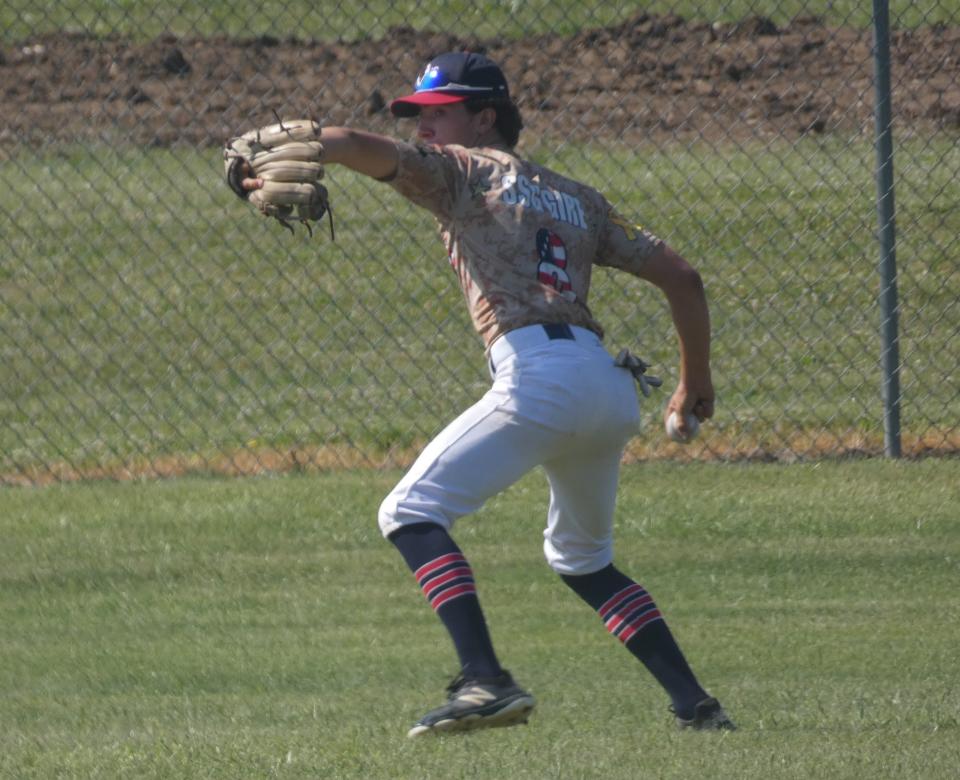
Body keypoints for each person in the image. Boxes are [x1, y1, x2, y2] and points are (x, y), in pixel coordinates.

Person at [243, 51, 733, 737]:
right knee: (584, 560)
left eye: (438, 114)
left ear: (485, 115)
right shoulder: (578, 197)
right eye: (416, 116)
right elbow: (683, 277)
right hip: (605, 387)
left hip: (540, 376)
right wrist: (694, 383)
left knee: (409, 511)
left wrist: (269, 147)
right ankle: (698, 708)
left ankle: (484, 680)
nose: (424, 129)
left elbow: (356, 146)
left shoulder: (461, 173)